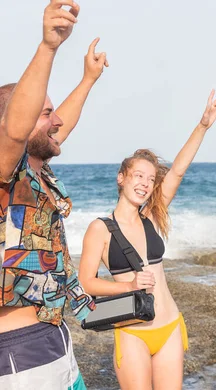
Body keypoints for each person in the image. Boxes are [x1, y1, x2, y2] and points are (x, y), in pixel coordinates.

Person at [78, 90, 216, 389]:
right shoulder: (100, 228)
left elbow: (179, 171)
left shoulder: (153, 216)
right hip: (132, 331)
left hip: (170, 326)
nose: (145, 184)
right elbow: (86, 283)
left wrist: (203, 125)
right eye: (138, 176)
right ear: (122, 177)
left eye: (150, 179)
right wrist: (130, 286)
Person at [0, 1, 107, 388]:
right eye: (44, 113)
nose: (57, 119)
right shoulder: (5, 173)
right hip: (20, 353)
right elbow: (17, 129)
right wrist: (49, 46)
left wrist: (88, 80)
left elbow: (57, 128)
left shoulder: (37, 170)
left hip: (54, 339)